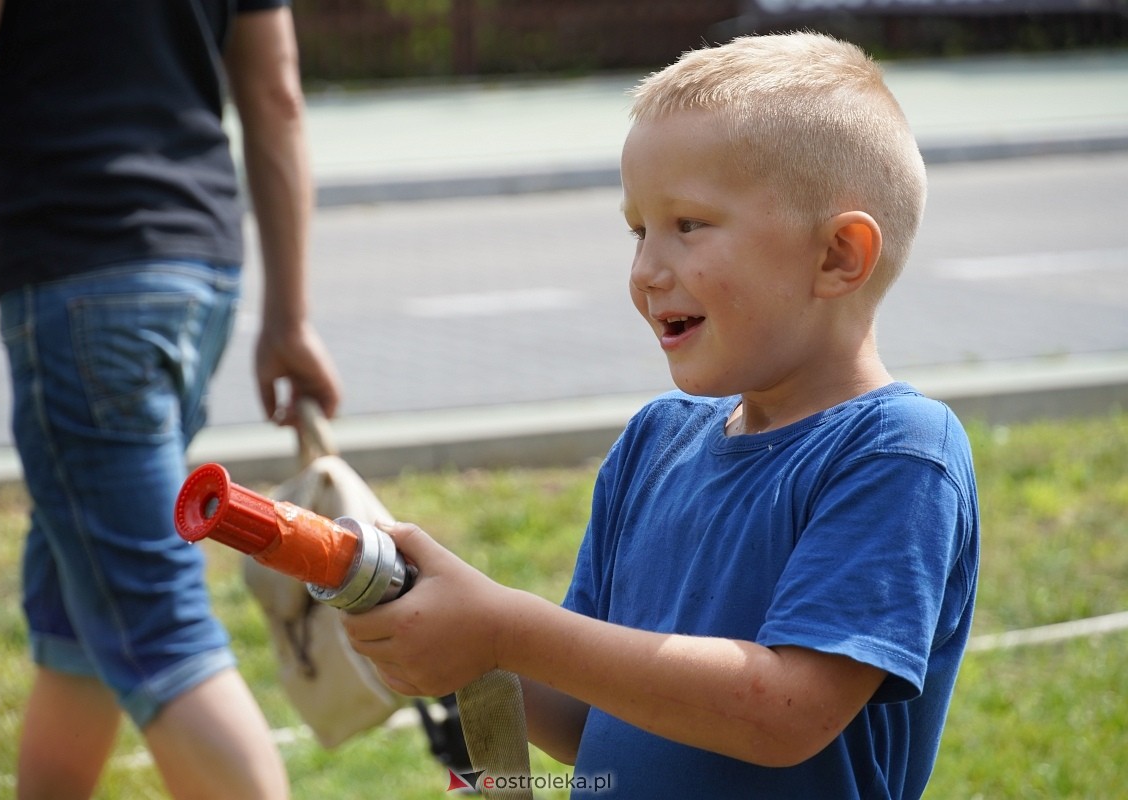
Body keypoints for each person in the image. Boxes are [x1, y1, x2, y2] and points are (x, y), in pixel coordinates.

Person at [343, 32, 980, 799]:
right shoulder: (655, 442)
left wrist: (507, 628)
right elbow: (590, 713)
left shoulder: (895, 454)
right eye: (638, 229)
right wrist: (464, 650)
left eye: (688, 225)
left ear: (838, 256)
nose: (646, 272)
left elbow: (784, 715)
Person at [0, 1, 342, 797]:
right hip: (199, 276)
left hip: (82, 277)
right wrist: (287, 316)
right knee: (78, 624)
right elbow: (276, 92)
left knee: (158, 632)